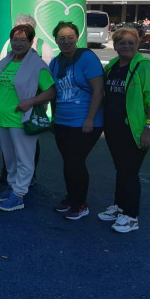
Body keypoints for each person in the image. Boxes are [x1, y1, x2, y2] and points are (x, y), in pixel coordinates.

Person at [99, 27, 150, 233]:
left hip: (136, 130)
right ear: (115, 45)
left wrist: (148, 128)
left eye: (130, 42)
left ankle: (131, 216)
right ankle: (119, 206)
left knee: (129, 172)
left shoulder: (144, 67)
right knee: (122, 169)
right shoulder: (112, 66)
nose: (126, 46)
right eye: (121, 42)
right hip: (113, 128)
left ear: (137, 44)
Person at [0, 24, 55, 211]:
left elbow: (51, 91)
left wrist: (31, 101)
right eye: (15, 39)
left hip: (22, 119)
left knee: (24, 159)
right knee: (10, 159)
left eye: (22, 40)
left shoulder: (36, 65)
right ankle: (13, 188)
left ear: (31, 41)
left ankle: (18, 195)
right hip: (3, 119)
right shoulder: (5, 62)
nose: (17, 44)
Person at [49, 22, 104, 220]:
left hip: (85, 121)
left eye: (70, 37)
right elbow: (54, 92)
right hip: (63, 120)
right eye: (61, 38)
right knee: (69, 162)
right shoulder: (55, 63)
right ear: (56, 40)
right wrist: (54, 117)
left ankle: (80, 203)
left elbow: (98, 89)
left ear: (77, 38)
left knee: (75, 161)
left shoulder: (86, 57)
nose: (66, 42)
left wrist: (89, 118)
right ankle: (71, 197)